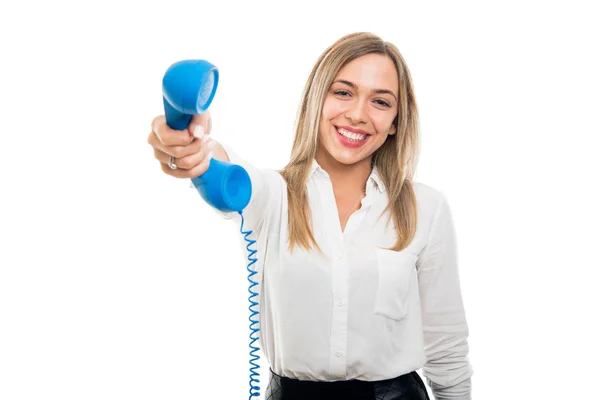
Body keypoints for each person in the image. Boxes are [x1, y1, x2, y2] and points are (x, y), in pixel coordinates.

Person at [147, 32, 473, 400]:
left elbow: (445, 342)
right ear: (317, 99)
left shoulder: (426, 207)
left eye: (380, 102)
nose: (357, 114)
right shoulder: (272, 196)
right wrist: (190, 150)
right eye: (343, 92)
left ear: (396, 121)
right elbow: (223, 166)